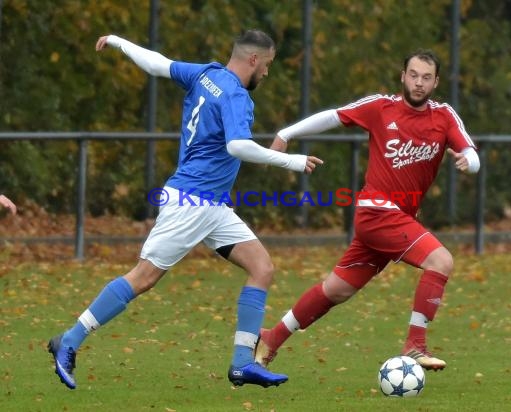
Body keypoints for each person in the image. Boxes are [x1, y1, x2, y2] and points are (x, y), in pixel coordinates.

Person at [47, 29, 323, 390]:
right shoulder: (236, 95)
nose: (267, 73)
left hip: (213, 206)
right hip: (191, 202)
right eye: (267, 65)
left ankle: (242, 363)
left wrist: (118, 41)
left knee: (262, 267)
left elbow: (157, 64)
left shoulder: (206, 74)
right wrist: (291, 161)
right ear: (253, 59)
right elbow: (239, 146)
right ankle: (69, 339)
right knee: (143, 278)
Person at [255, 49, 480, 373]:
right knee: (441, 260)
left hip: (396, 219)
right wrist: (286, 133)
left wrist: (468, 162)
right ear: (403, 76)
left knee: (336, 289)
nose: (418, 83)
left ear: (436, 82)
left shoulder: (443, 116)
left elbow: (471, 153)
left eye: (426, 77)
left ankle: (271, 338)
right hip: (377, 211)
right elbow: (333, 115)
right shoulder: (380, 107)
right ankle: (415, 345)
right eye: (413, 75)